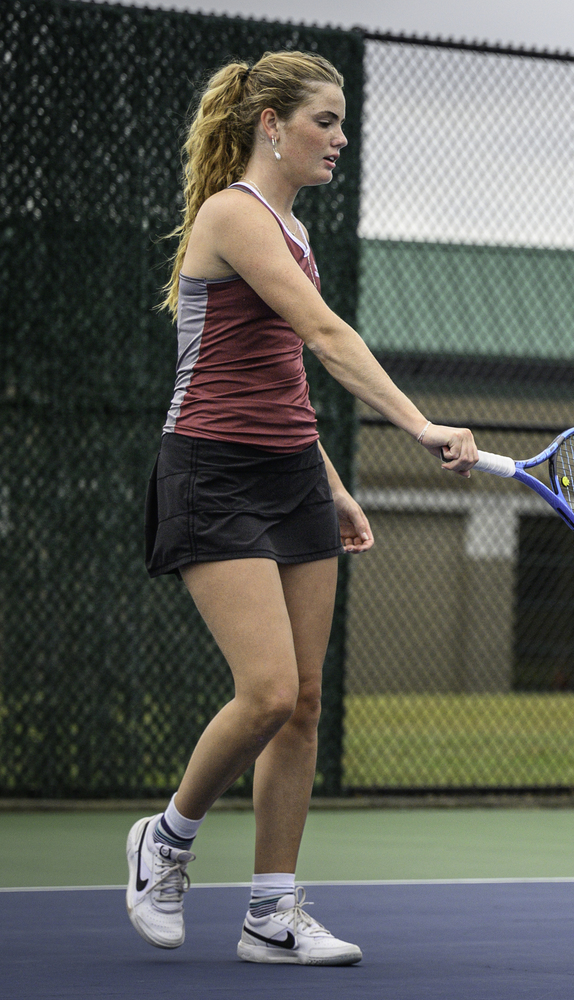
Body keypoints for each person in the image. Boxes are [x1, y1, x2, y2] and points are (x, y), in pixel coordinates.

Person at [130, 51, 478, 966]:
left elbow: (282, 374)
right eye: (325, 120)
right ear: (271, 126)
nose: (340, 137)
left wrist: (328, 483)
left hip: (292, 476)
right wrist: (418, 423)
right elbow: (324, 336)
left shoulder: (292, 228)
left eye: (342, 121)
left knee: (307, 704)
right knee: (268, 691)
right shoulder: (233, 217)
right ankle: (165, 839)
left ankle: (271, 913)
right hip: (211, 471)